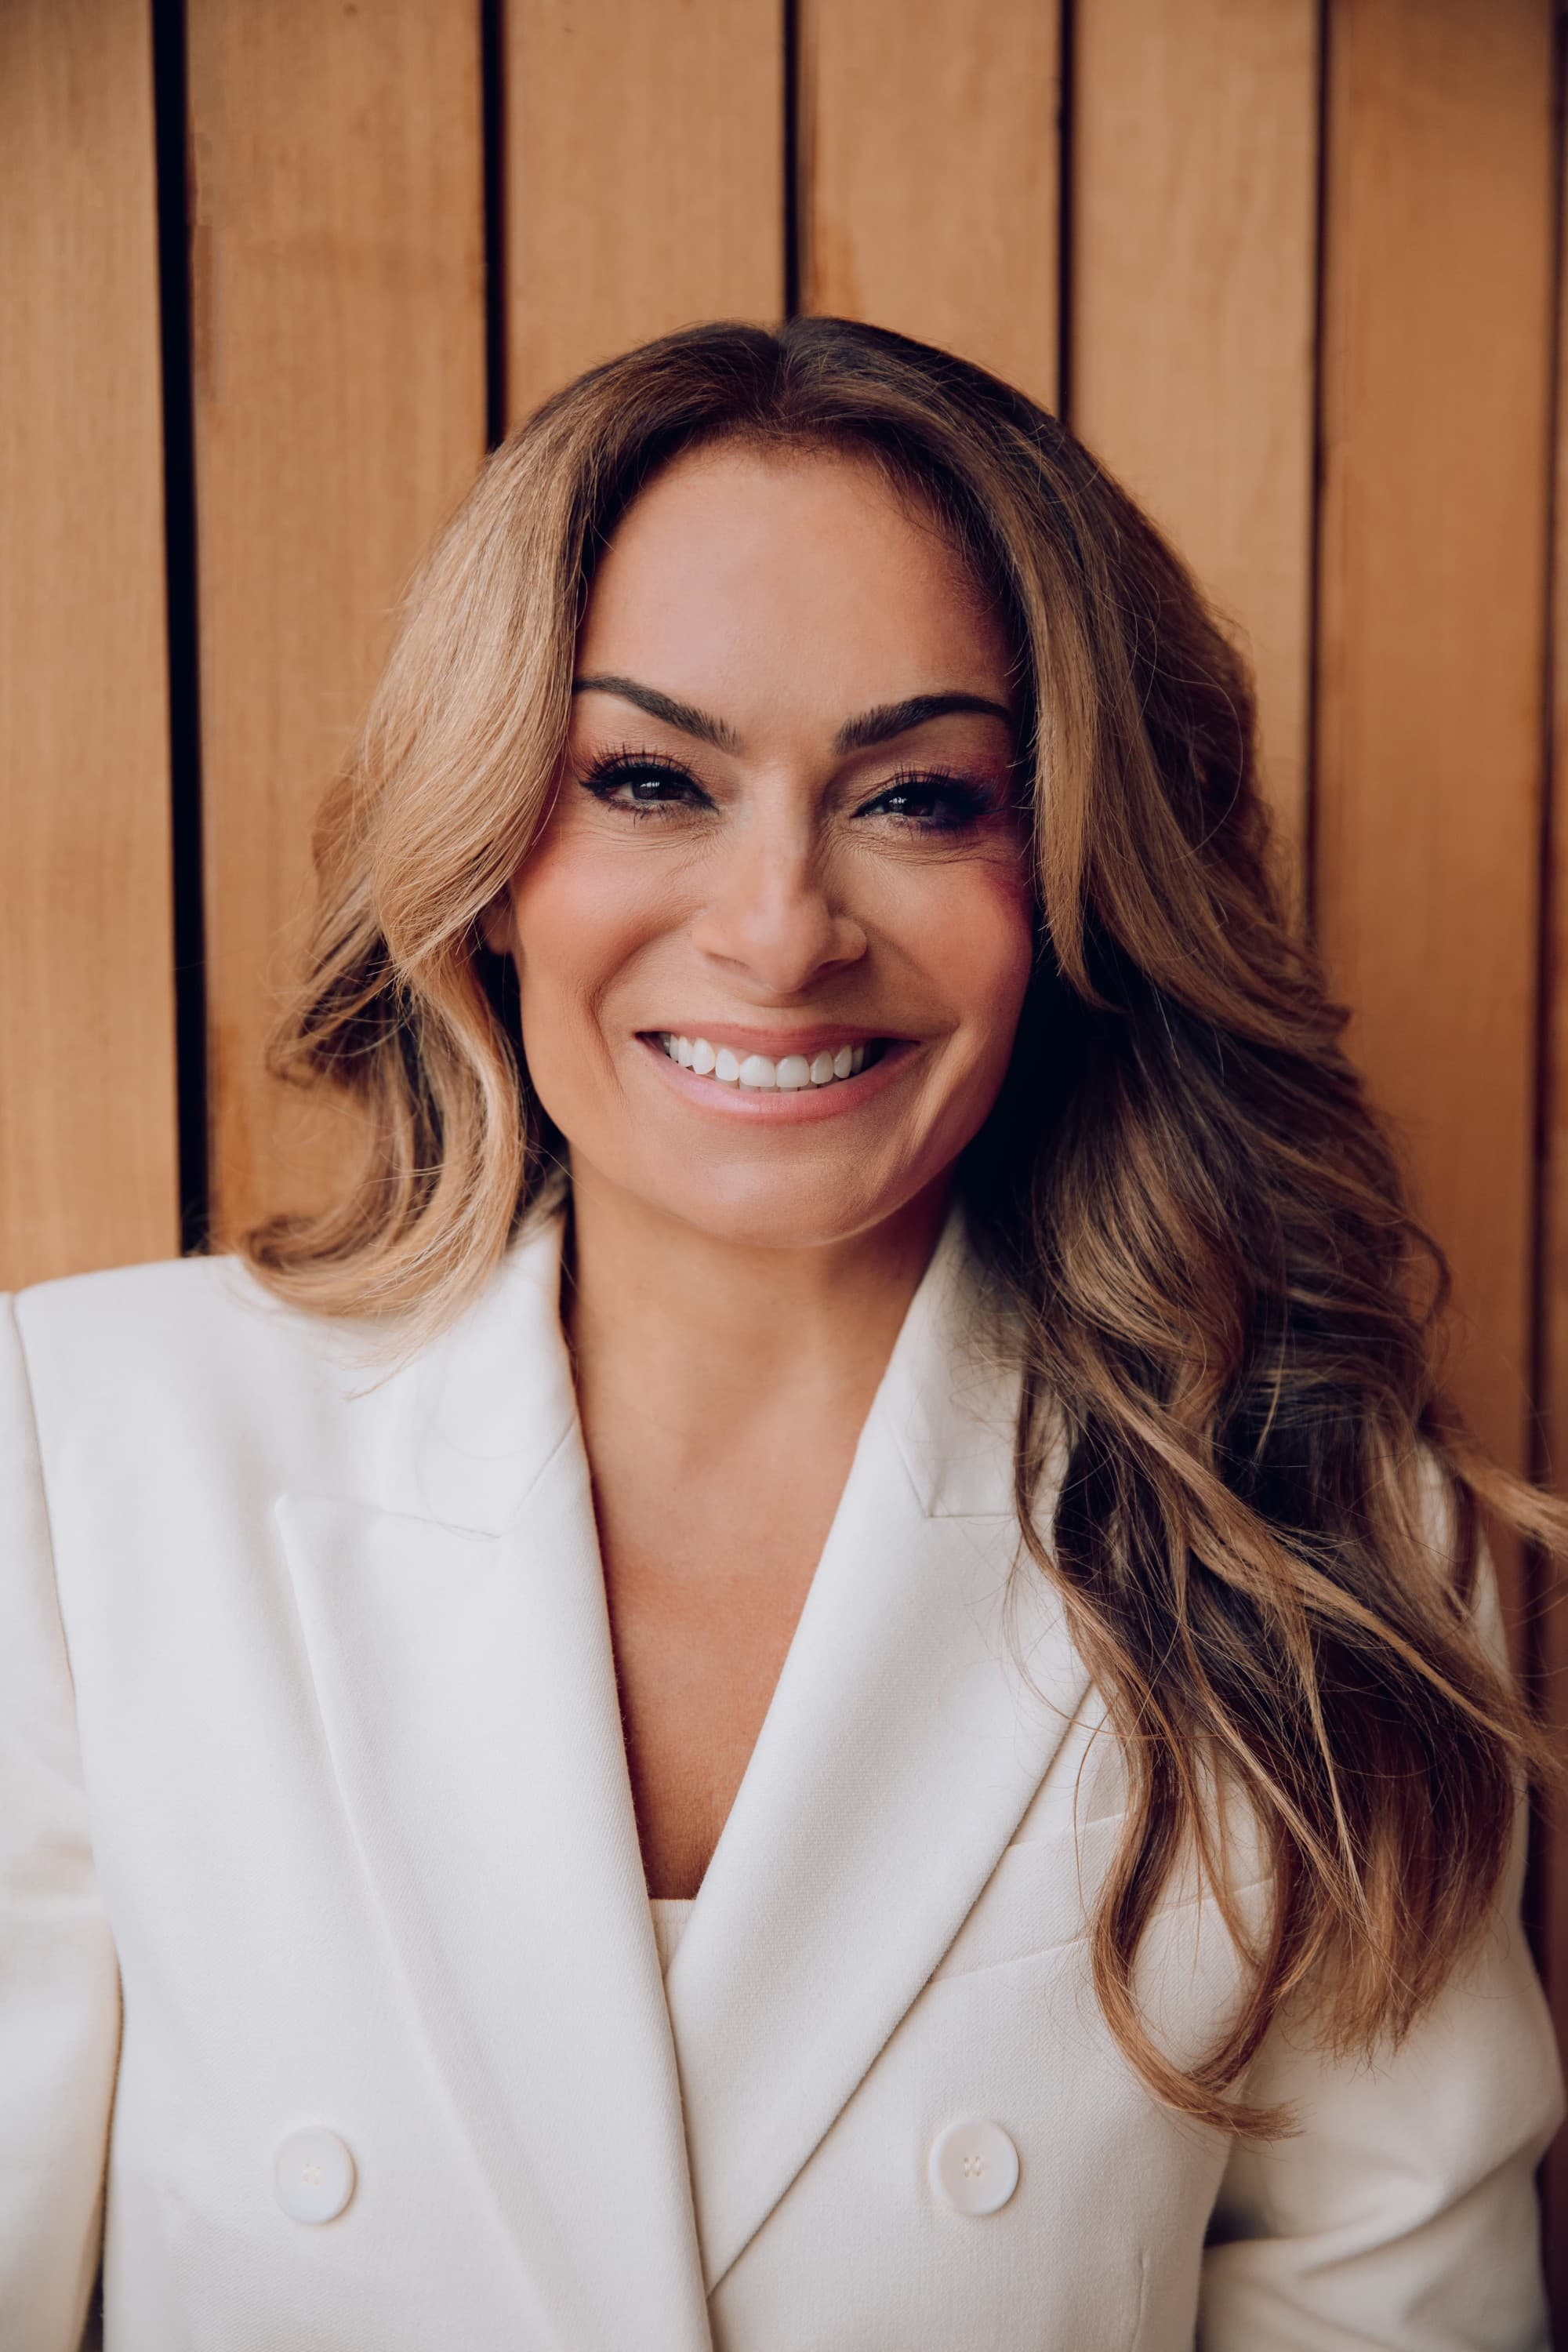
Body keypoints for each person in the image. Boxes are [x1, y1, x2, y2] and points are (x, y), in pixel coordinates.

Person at [2, 316, 1562, 2352]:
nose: (777, 928)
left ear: (1075, 880)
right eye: (650, 778)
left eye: (919, 797)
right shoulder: (81, 1457)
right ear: (487, 858)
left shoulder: (1322, 1543)